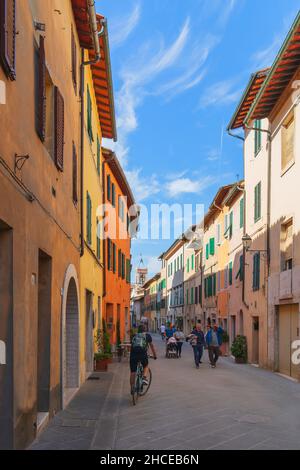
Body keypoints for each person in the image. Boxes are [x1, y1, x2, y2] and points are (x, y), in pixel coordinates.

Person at [130, 324, 157, 393]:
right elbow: (152, 346)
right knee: (146, 365)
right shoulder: (147, 336)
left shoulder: (134, 335)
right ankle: (144, 378)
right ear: (145, 330)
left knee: (133, 372)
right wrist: (154, 355)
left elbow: (132, 345)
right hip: (142, 353)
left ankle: (132, 388)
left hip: (133, 354)